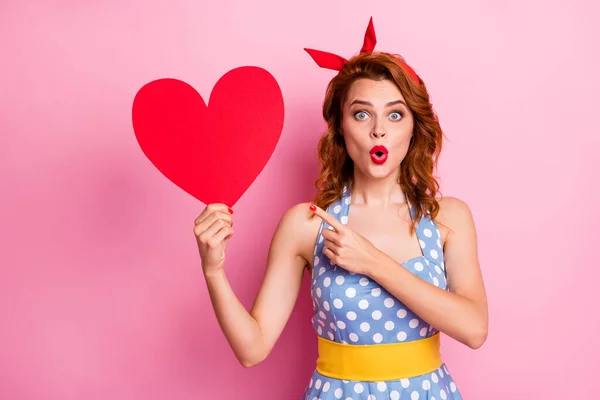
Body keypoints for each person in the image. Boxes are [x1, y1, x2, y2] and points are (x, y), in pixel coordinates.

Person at [194, 17, 488, 400]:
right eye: (362, 113)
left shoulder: (447, 218)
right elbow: (253, 349)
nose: (378, 130)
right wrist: (213, 270)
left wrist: (372, 261)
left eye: (395, 115)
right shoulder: (306, 224)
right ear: (340, 128)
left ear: (414, 128)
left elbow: (474, 329)